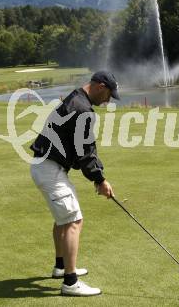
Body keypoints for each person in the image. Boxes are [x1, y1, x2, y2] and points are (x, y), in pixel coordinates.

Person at [30, 71, 120, 296]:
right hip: (50, 169)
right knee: (73, 220)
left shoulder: (76, 99)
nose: (108, 100)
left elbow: (84, 149)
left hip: (46, 166)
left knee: (63, 219)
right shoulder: (83, 110)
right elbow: (86, 152)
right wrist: (100, 179)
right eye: (109, 94)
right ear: (100, 86)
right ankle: (70, 282)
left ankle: (61, 267)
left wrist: (97, 176)